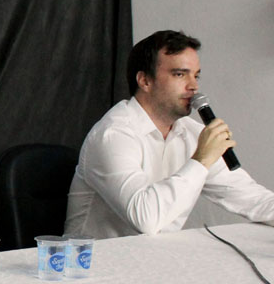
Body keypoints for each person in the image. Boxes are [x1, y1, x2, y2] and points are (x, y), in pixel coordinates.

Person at [65, 29, 274, 238]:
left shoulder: (192, 133)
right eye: (180, 74)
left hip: (157, 255)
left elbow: (251, 198)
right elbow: (146, 219)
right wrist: (201, 160)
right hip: (96, 257)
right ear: (145, 81)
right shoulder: (112, 135)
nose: (194, 86)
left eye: (196, 75)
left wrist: (203, 157)